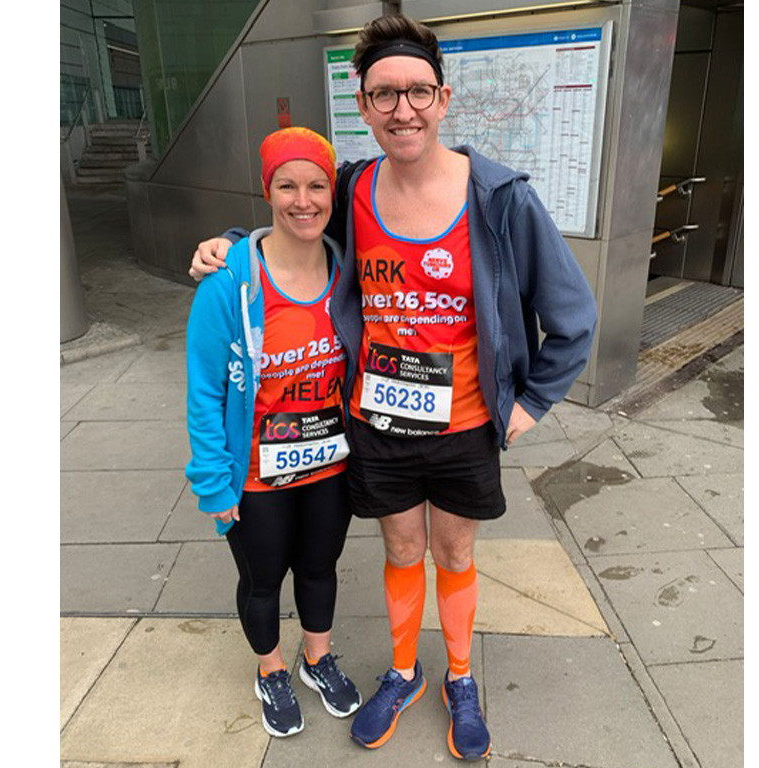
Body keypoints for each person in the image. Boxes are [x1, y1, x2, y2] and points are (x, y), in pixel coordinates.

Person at [189, 14, 597, 760]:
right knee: (403, 548)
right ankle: (405, 672)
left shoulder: (500, 198)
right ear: (364, 104)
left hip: (466, 424)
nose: (402, 109)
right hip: (377, 425)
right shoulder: (352, 189)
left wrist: (532, 402)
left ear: (443, 98)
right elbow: (296, 221)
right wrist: (230, 244)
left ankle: (460, 678)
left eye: (417, 92)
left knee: (454, 553)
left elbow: (574, 315)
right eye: (384, 94)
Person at [185, 126, 362, 739]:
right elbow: (205, 392)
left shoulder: (348, 272)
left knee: (320, 568)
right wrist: (214, 483)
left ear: (333, 194)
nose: (303, 200)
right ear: (267, 192)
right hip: (257, 476)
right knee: (263, 582)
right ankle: (272, 670)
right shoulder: (227, 284)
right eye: (287, 186)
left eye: (316, 186)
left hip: (330, 466)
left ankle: (317, 658)